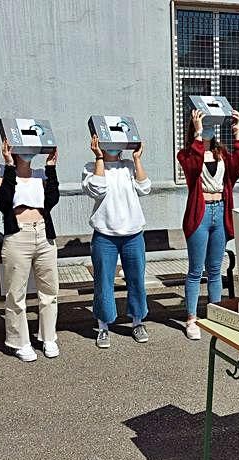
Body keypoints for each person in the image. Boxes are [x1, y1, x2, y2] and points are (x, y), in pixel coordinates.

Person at [177, 109, 239, 340]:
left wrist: (237, 133)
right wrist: (197, 136)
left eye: (210, 124)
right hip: (201, 213)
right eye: (204, 123)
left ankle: (216, 315)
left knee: (216, 269)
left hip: (220, 211)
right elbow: (194, 167)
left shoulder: (221, 153)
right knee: (196, 271)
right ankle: (191, 319)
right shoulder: (186, 154)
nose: (209, 127)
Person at [0, 141, 60, 362]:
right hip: (18, 235)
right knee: (16, 293)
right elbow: (4, 201)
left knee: (49, 291)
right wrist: (9, 165)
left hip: (43, 232)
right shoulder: (0, 170)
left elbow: (51, 200)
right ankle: (20, 341)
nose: (28, 152)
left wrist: (51, 167)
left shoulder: (40, 174)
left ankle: (49, 338)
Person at [82, 135, 151, 349]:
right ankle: (103, 326)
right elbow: (97, 189)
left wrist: (137, 159)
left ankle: (138, 322)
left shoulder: (128, 166)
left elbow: (144, 188)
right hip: (105, 235)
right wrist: (100, 158)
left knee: (136, 280)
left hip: (133, 234)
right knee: (103, 282)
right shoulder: (90, 167)